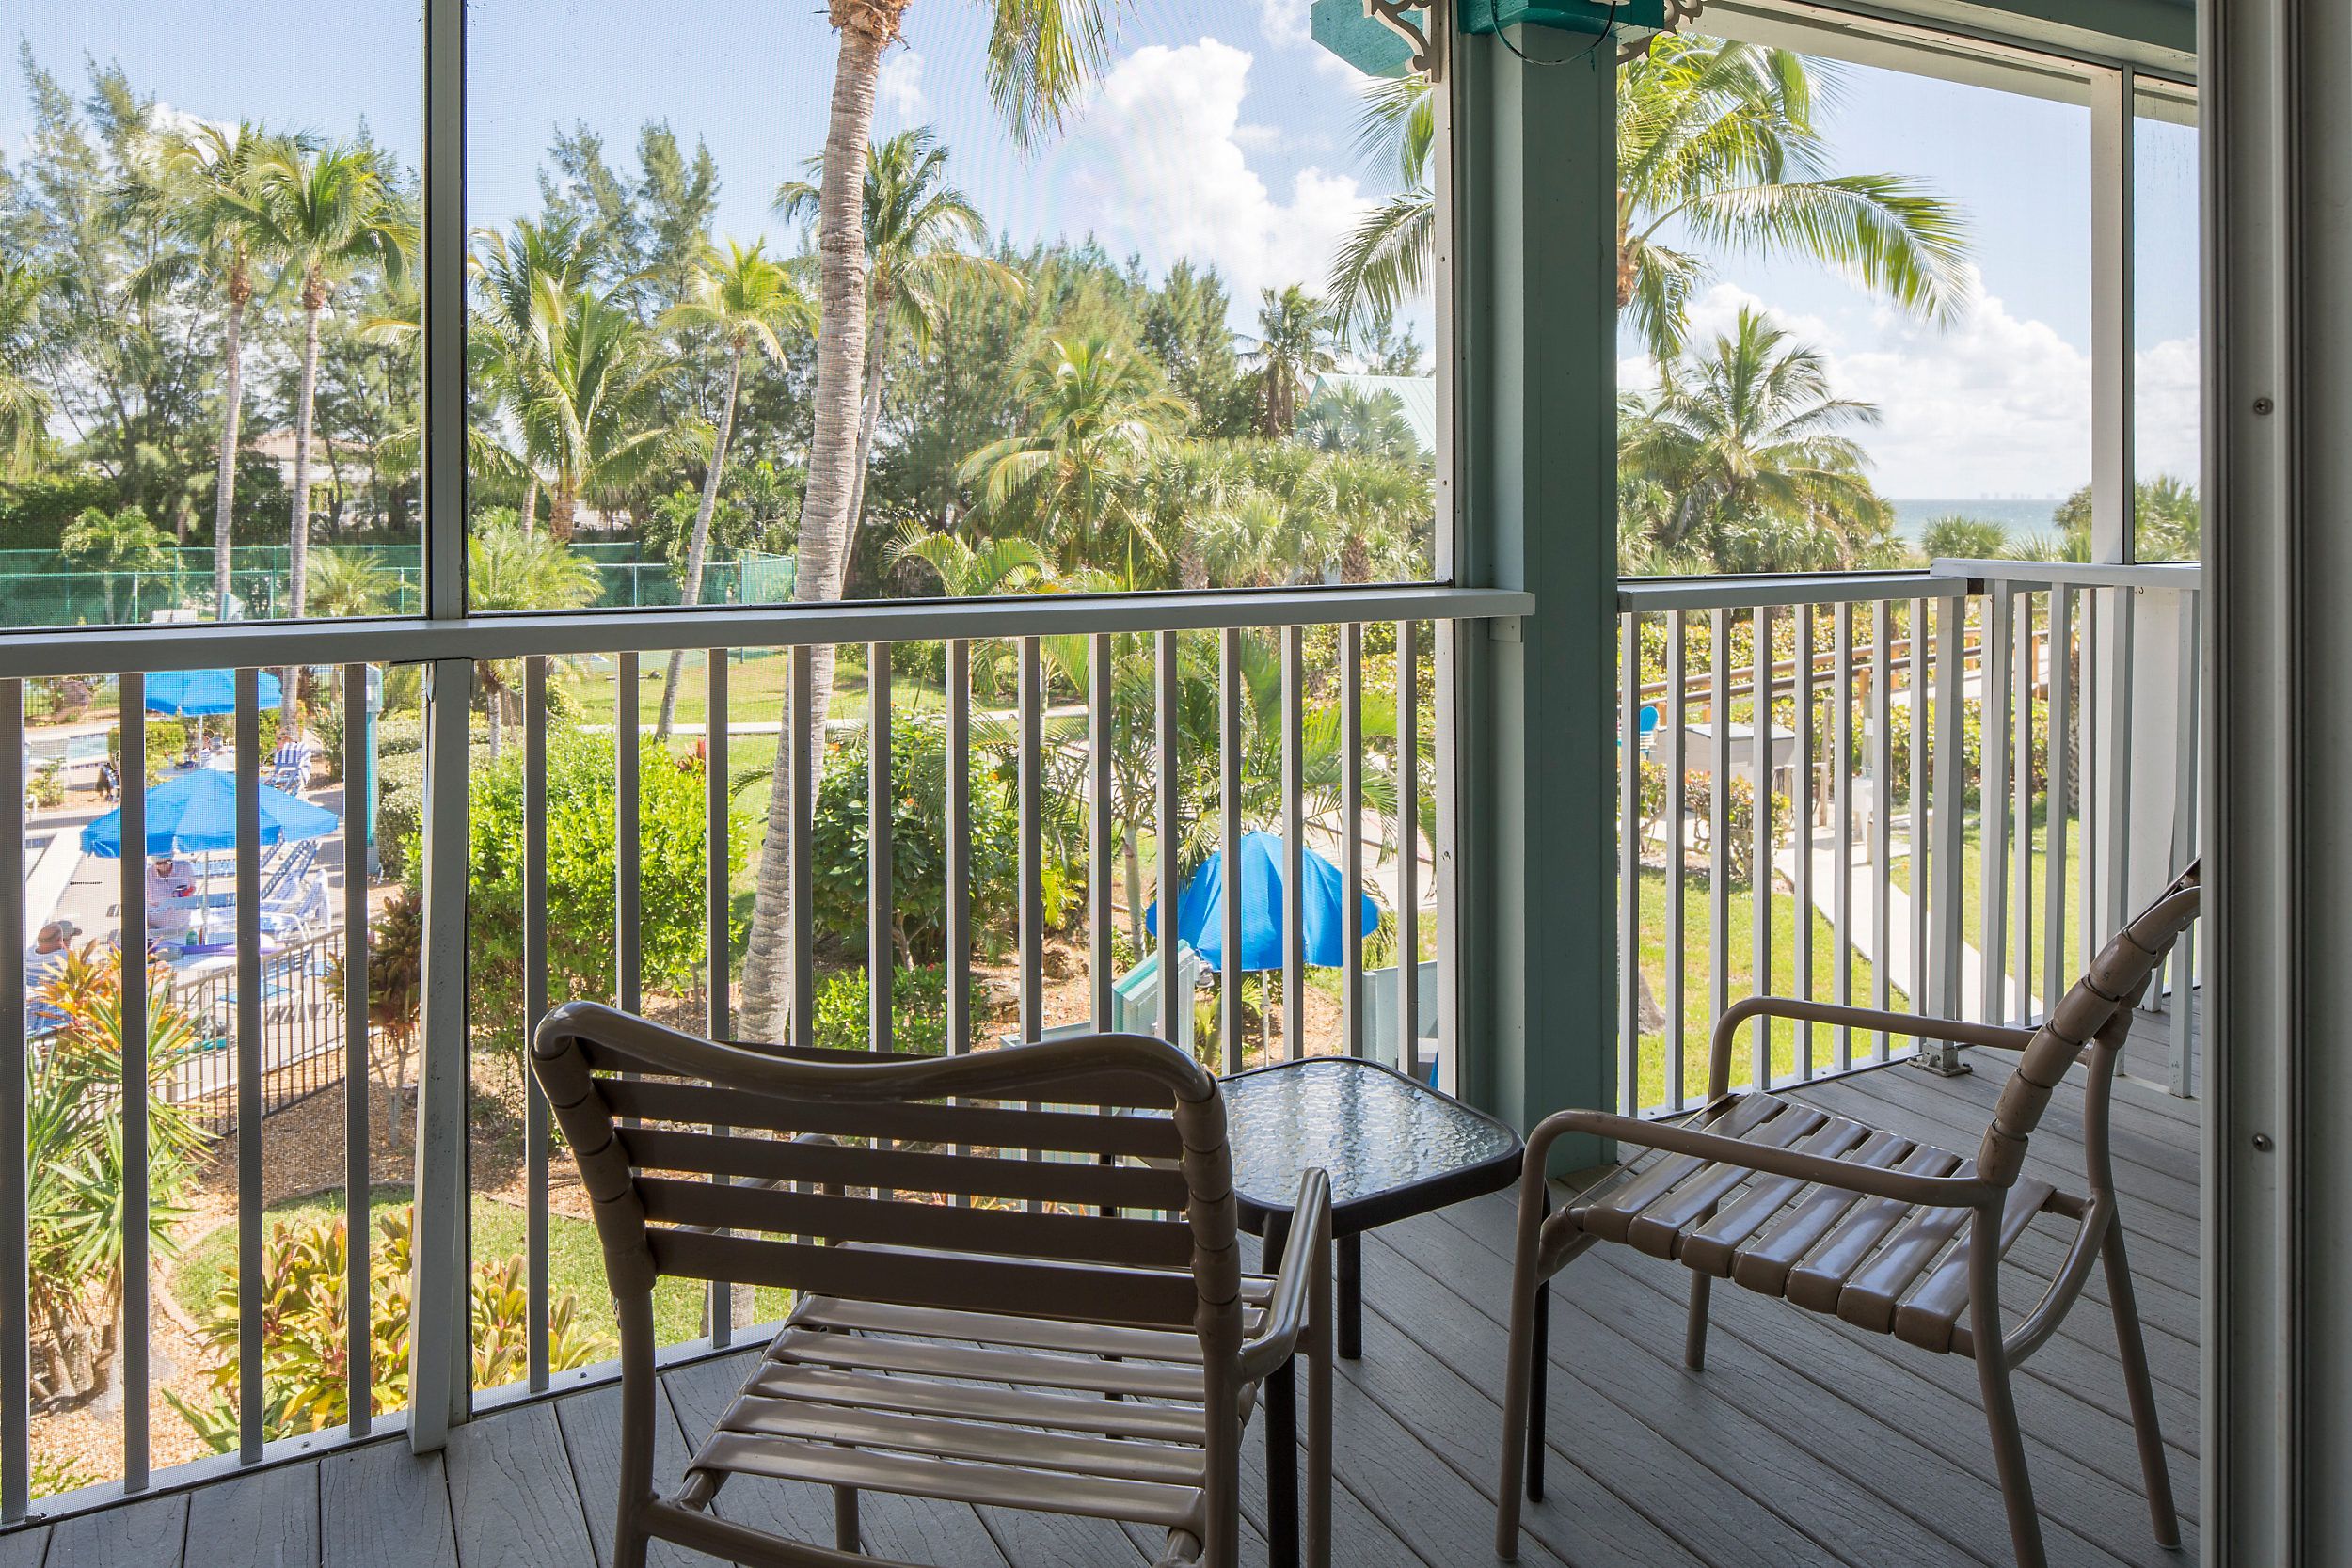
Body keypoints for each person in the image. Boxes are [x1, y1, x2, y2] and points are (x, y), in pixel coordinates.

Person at [145, 852, 198, 944]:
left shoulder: (185, 867)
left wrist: (184, 895)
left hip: (181, 925)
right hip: (156, 930)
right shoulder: (146, 875)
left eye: (167, 862)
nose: (164, 866)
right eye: (159, 863)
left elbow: (192, 887)